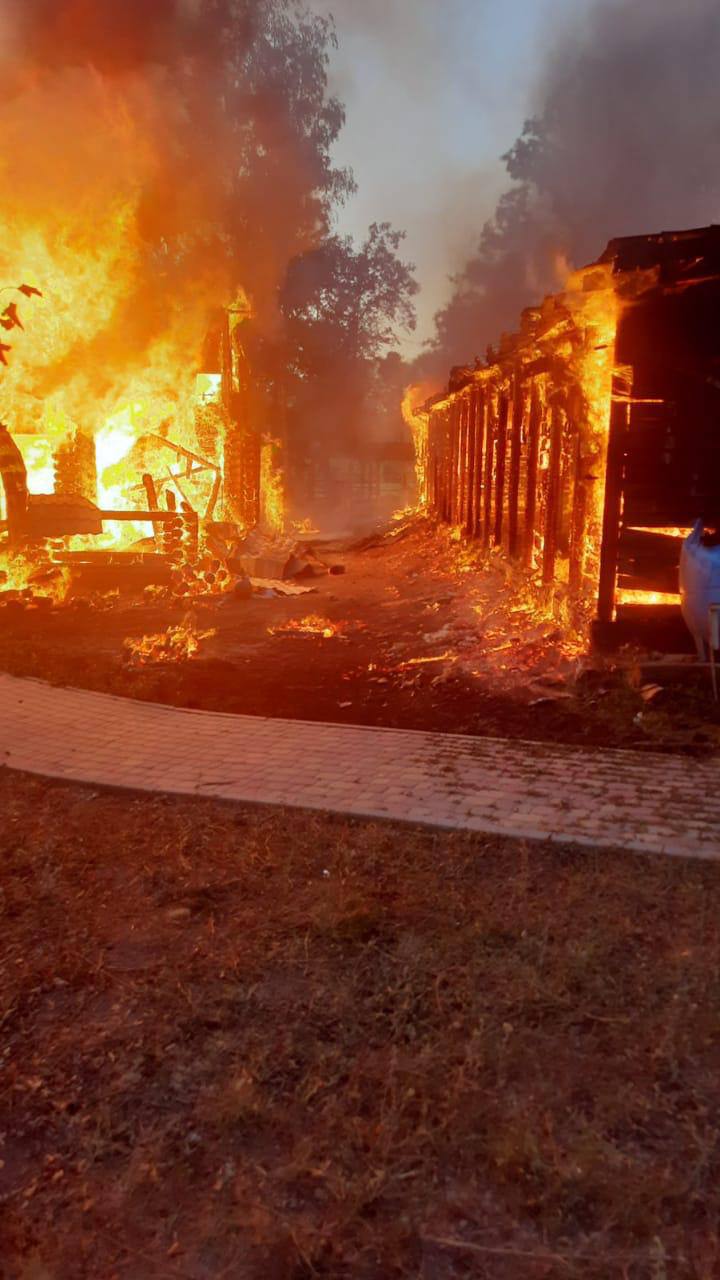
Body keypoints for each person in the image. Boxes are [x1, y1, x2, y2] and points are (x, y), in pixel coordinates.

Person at [0, 422, 28, 543]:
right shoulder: (4, 437)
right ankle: (16, 538)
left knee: (15, 510)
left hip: (14, 480)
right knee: (16, 509)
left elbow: (9, 462)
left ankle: (16, 540)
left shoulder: (3, 439)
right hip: (15, 480)